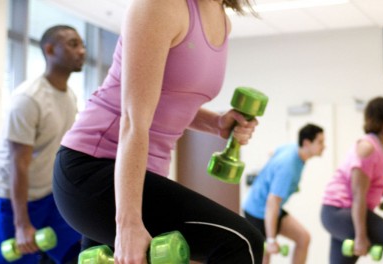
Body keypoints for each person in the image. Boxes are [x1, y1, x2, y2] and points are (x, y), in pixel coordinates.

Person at [52, 0, 263, 263]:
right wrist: (128, 223)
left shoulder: (221, 19)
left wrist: (216, 122)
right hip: (94, 168)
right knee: (240, 241)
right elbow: (134, 117)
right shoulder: (159, 6)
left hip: (141, 175)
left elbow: (167, 98)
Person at [0, 25, 86, 264]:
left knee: (77, 254)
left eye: (82, 44)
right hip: (8, 199)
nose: (82, 51)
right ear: (49, 49)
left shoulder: (70, 97)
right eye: (73, 44)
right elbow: (19, 164)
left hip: (48, 197)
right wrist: (21, 224)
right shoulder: (28, 99)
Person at [321, 97, 383, 264]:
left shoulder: (380, 149)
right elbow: (358, 194)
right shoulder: (367, 148)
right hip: (339, 212)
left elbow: (368, 184)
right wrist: (361, 236)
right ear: (381, 120)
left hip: (342, 213)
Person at [243, 123, 326, 264]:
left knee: (303, 238)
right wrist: (271, 239)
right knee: (264, 256)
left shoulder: (293, 149)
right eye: (320, 142)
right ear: (306, 143)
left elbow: (272, 152)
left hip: (270, 208)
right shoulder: (288, 167)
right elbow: (272, 203)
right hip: (257, 211)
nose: (324, 146)